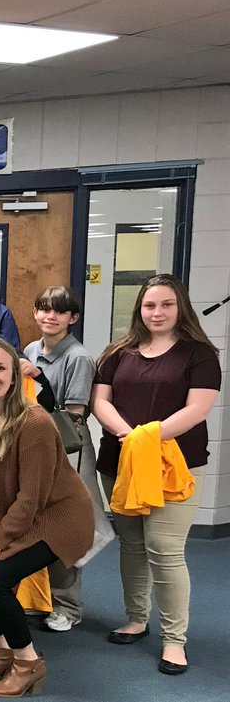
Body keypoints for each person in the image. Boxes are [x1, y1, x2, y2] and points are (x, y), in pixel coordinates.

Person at [91, 274, 220, 675]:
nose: (157, 312)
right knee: (131, 545)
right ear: (139, 309)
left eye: (166, 304)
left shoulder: (199, 353)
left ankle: (174, 640)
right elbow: (100, 399)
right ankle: (135, 618)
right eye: (150, 305)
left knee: (164, 550)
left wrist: (146, 437)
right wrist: (128, 436)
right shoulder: (119, 350)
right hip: (122, 462)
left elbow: (197, 409)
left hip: (174, 468)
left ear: (179, 306)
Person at [0, 337, 94, 697]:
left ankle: (28, 661)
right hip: (24, 515)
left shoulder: (34, 421)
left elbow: (33, 498)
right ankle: (2, 649)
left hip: (60, 517)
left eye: (1, 367)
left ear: (15, 376)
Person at [20, 286, 104, 634]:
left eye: (59, 311)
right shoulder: (30, 349)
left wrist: (39, 380)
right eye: (44, 309)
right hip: (35, 446)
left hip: (68, 449)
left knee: (67, 525)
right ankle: (40, 599)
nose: (50, 316)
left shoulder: (78, 357)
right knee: (36, 524)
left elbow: (74, 414)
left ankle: (68, 605)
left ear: (73, 318)